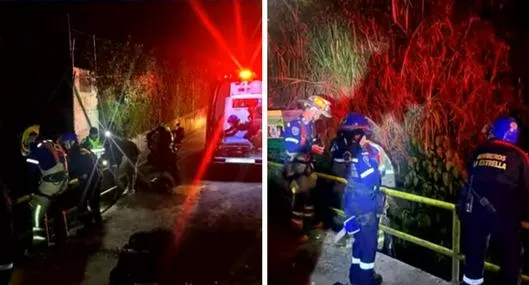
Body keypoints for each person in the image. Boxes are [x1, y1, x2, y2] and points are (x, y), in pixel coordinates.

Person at [457, 116, 529, 285]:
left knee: (473, 267)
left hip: (476, 217)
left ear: (495, 130)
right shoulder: (521, 156)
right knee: (510, 265)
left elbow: (469, 178)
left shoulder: (478, 150)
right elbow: (526, 191)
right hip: (506, 220)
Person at [334, 113, 384, 285]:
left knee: (358, 244)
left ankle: (355, 278)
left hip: (351, 206)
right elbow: (373, 180)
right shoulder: (365, 155)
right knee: (368, 249)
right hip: (366, 209)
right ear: (359, 134)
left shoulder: (345, 152)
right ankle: (365, 280)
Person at [282, 95, 331, 243]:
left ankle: (310, 223)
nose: (319, 117)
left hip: (308, 166)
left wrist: (317, 148)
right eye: (319, 113)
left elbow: (312, 143)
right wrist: (311, 148)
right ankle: (296, 232)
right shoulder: (295, 126)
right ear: (312, 109)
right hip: (297, 168)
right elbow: (291, 148)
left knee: (309, 197)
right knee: (300, 199)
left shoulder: (311, 126)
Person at [24, 125, 70, 246]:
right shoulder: (54, 145)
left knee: (36, 214)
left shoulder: (37, 150)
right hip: (62, 185)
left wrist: (32, 191)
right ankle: (62, 237)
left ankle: (40, 245)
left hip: (50, 186)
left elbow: (31, 174)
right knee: (57, 210)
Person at [59, 132, 103, 227]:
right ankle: (95, 222)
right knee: (92, 203)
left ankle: (90, 225)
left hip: (89, 181)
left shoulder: (77, 152)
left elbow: (75, 168)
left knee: (84, 203)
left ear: (72, 141)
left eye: (66, 142)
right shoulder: (79, 150)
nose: (65, 145)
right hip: (92, 180)